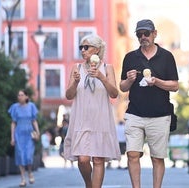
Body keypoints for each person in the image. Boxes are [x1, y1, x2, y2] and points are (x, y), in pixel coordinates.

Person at [120, 19, 179, 188]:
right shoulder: (130, 57)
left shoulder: (166, 57)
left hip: (160, 115)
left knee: (157, 157)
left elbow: (174, 85)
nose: (143, 37)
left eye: (146, 33)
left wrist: (157, 82)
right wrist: (129, 80)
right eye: (139, 34)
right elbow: (122, 87)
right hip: (135, 113)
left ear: (154, 34)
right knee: (132, 154)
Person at [64, 34, 121, 188]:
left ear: (96, 49)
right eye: (81, 47)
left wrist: (101, 77)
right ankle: (89, 184)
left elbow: (114, 94)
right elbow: (69, 95)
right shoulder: (77, 68)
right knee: (82, 159)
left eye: (86, 47)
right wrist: (75, 82)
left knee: (98, 159)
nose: (83, 50)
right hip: (81, 119)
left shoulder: (107, 68)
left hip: (101, 118)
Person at [8, 89, 40, 187]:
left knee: (29, 156)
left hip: (29, 135)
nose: (19, 97)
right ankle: (23, 178)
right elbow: (13, 123)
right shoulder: (14, 107)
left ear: (26, 97)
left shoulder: (31, 106)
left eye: (22, 95)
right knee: (20, 155)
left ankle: (30, 172)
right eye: (18, 95)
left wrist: (38, 132)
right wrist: (12, 137)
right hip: (19, 134)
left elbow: (34, 120)